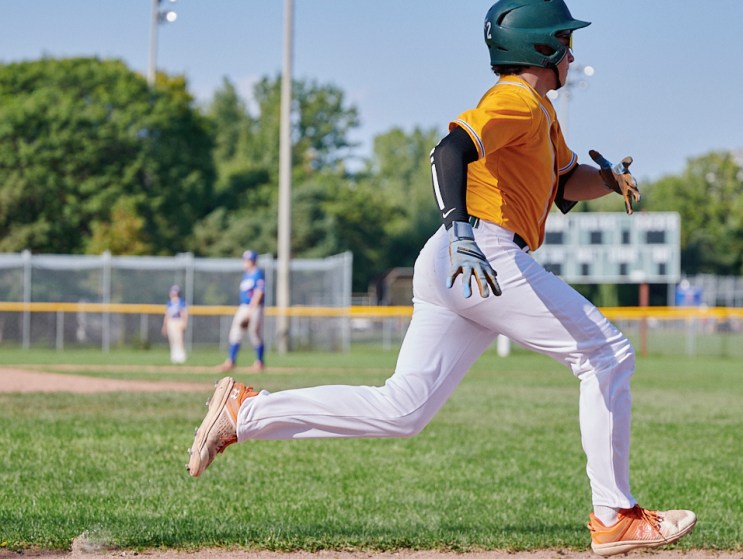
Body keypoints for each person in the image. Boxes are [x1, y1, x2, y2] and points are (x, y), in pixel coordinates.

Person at [187, 1, 696, 555]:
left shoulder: (540, 111)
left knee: (403, 409)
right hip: (481, 250)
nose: (572, 54)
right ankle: (614, 515)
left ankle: (246, 411)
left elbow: (566, 180)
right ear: (542, 47)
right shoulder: (515, 100)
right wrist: (461, 230)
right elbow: (448, 151)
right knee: (606, 354)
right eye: (565, 42)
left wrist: (609, 180)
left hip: (459, 259)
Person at [220, 250, 266, 372]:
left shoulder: (258, 274)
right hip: (243, 306)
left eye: (247, 260)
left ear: (253, 261)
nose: (244, 262)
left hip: (254, 307)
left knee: (255, 334)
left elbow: (259, 292)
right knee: (235, 332)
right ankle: (231, 361)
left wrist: (251, 310)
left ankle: (259, 362)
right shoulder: (246, 275)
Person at [162, 285, 188, 364]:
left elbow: (183, 313)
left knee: (178, 339)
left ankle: (181, 356)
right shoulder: (169, 302)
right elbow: (167, 315)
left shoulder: (181, 302)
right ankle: (174, 356)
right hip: (171, 321)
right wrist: (164, 325)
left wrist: (184, 322)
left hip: (178, 321)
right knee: (172, 339)